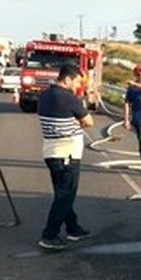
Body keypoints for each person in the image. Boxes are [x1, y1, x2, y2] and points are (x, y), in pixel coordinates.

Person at [37, 64, 94, 251]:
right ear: (67, 79)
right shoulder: (69, 98)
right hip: (67, 153)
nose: (78, 85)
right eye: (77, 81)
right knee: (65, 196)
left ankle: (73, 228)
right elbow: (88, 121)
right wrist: (77, 122)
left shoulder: (44, 95)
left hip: (51, 151)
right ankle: (50, 234)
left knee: (62, 193)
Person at [123, 64, 141, 175]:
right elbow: (127, 103)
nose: (140, 75)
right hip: (139, 117)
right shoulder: (132, 88)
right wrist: (126, 119)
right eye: (138, 73)